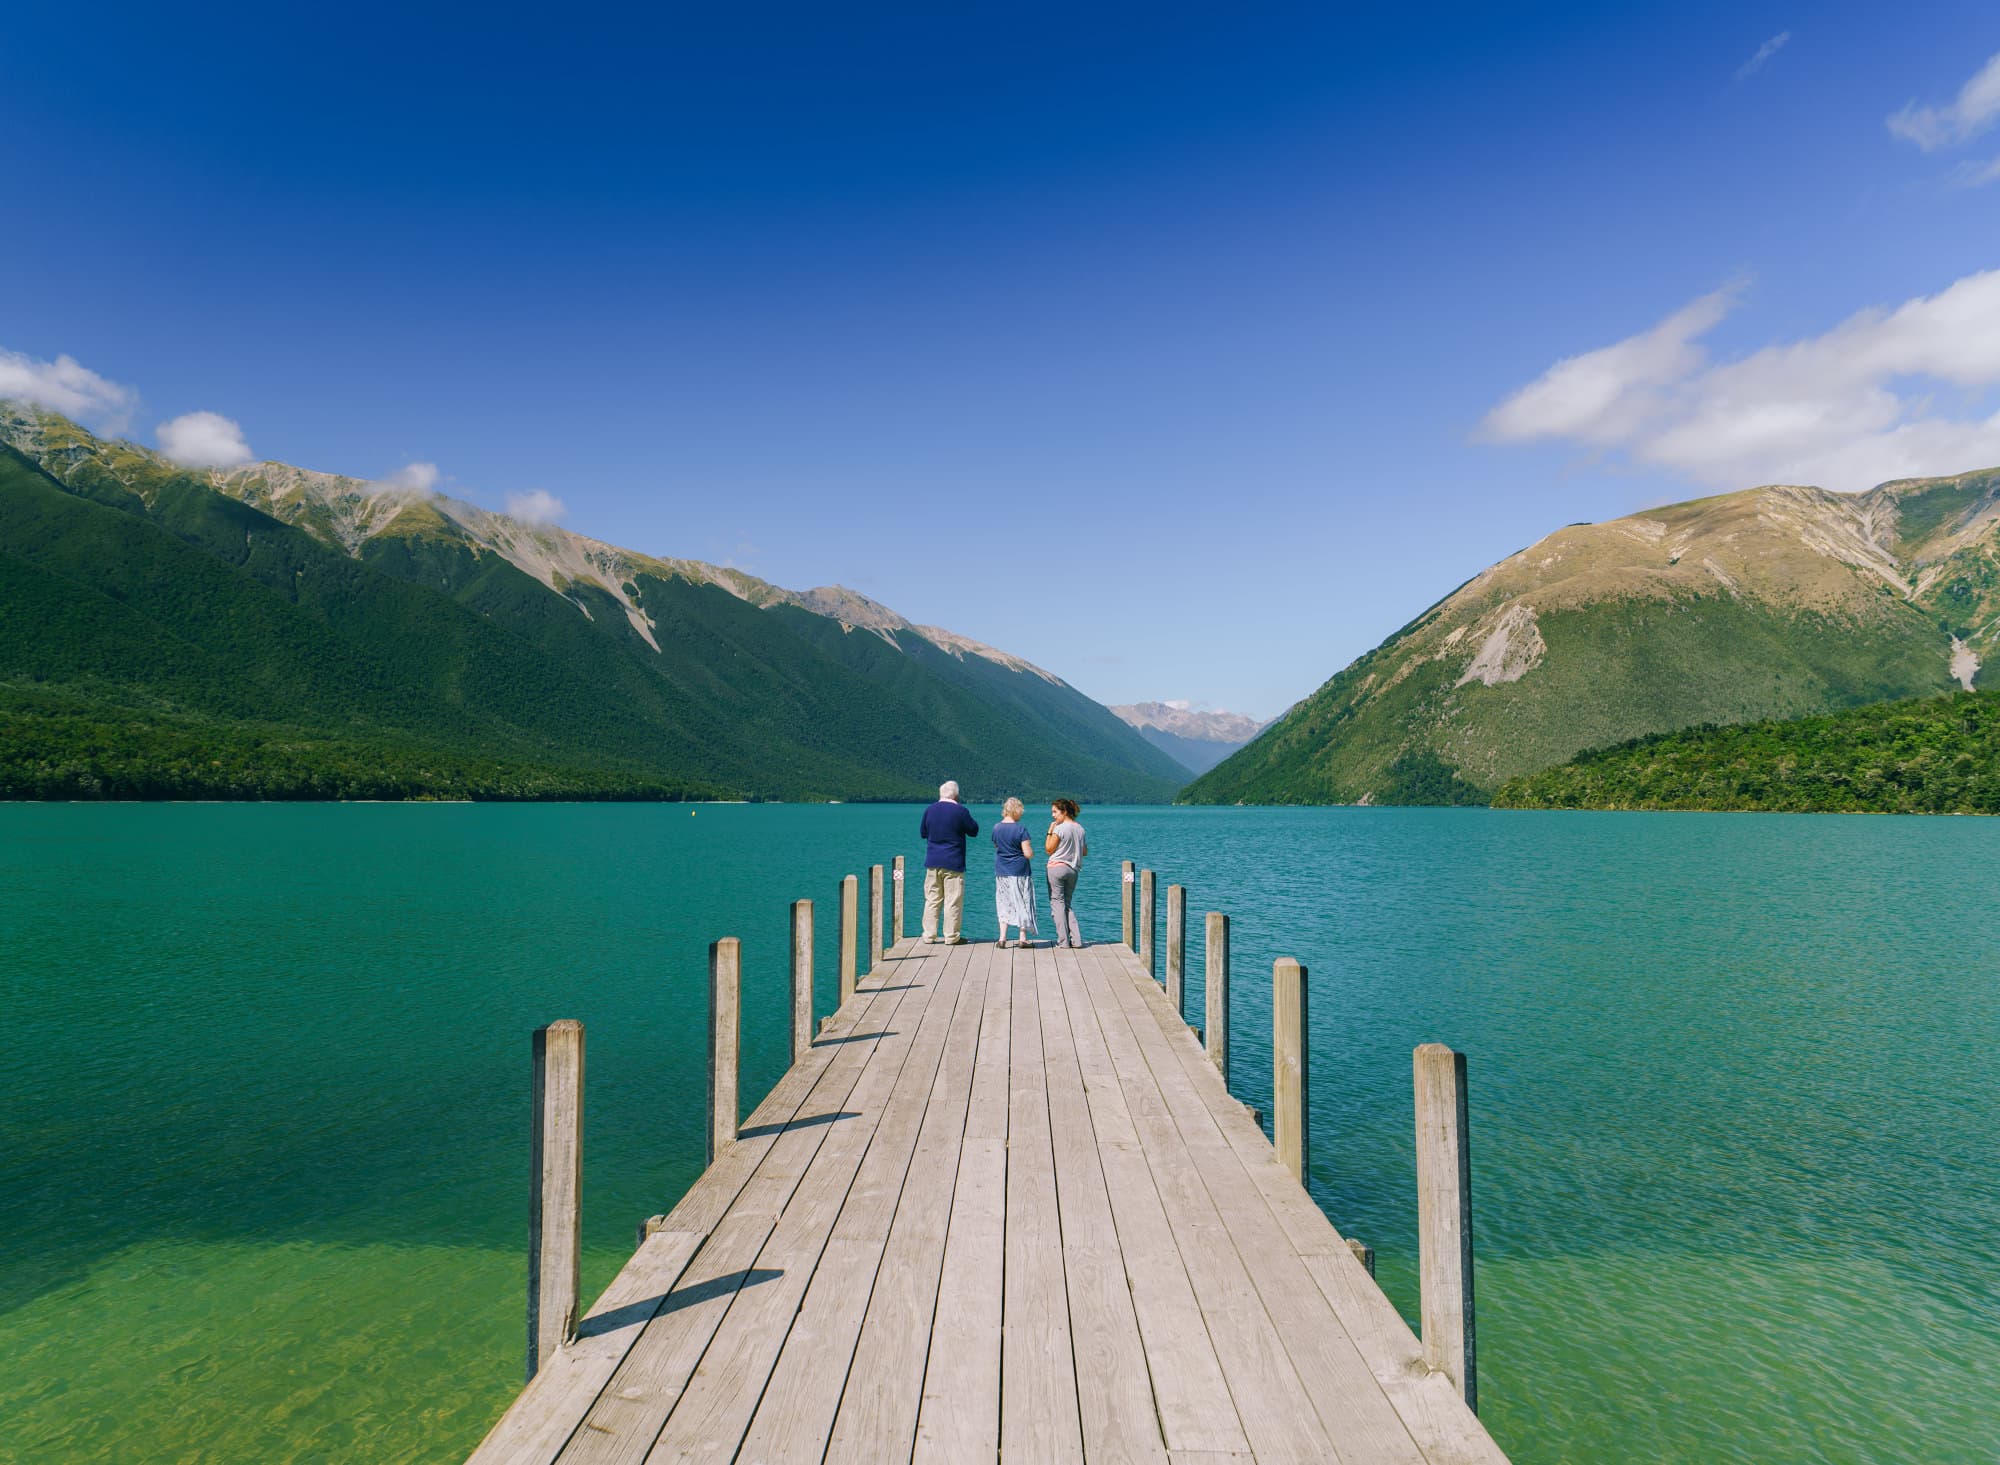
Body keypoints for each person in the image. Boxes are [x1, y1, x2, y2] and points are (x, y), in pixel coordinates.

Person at [919, 779, 979, 944]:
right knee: (952, 900)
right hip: (953, 862)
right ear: (956, 796)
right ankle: (951, 936)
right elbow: (974, 830)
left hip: (932, 862)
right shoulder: (960, 811)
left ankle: (929, 935)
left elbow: (923, 833)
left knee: (932, 899)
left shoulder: (929, 810)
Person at [992, 797, 1039, 947]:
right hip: (1019, 871)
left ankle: (1002, 938)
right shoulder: (1020, 829)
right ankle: (1022, 938)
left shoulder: (996, 828)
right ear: (1016, 811)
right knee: (1023, 901)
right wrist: (1032, 853)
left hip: (1001, 871)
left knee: (1003, 902)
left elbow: (997, 846)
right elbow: (1027, 853)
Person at [1044, 797, 1088, 948]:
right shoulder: (1080, 829)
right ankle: (1076, 940)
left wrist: (1049, 831)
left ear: (1064, 812)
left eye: (1055, 812)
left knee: (1057, 904)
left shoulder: (1059, 828)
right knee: (1067, 904)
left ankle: (1063, 942)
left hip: (1056, 868)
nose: (1053, 815)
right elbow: (1084, 852)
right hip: (1073, 870)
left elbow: (1049, 849)